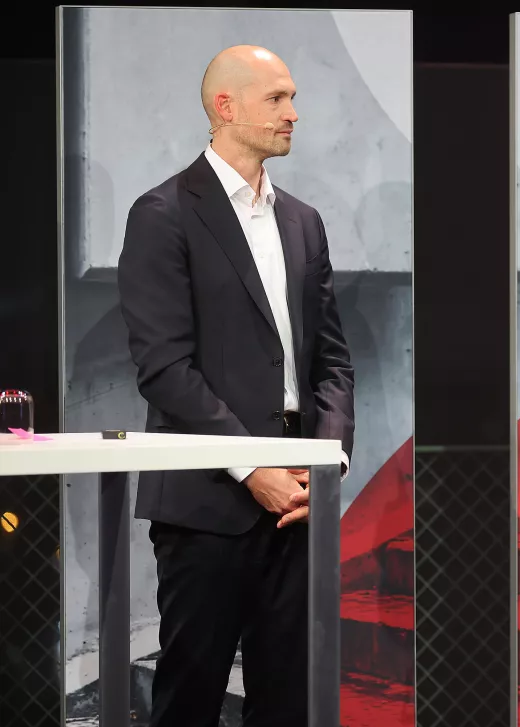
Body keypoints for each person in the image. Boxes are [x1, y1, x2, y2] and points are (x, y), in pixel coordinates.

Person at [117, 45, 354, 726]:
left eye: (293, 98)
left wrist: (322, 464)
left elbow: (332, 362)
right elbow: (164, 366)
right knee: (191, 698)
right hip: (206, 502)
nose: (293, 114)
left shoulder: (303, 221)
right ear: (227, 107)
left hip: (298, 505)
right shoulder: (163, 213)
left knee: (290, 702)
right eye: (277, 99)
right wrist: (256, 468)